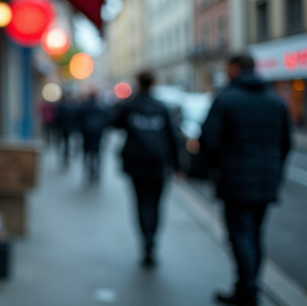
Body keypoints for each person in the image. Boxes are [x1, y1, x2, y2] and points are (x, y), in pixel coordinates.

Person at [200, 55, 291, 306]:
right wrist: (274, 169)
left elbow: (209, 139)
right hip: (266, 179)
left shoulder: (226, 99)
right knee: (255, 234)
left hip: (235, 179)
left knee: (239, 234)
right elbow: (285, 142)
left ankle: (247, 290)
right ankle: (248, 285)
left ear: (234, 69)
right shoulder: (276, 100)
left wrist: (215, 167)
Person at [113, 71, 180, 267]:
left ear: (138, 83)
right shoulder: (161, 108)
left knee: (141, 203)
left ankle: (145, 243)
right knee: (157, 205)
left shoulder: (130, 106)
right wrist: (177, 165)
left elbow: (115, 124)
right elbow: (172, 137)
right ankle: (152, 242)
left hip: (136, 163)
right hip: (158, 164)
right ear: (154, 83)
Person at [77, 92, 109, 185]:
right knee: (97, 155)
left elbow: (78, 119)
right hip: (97, 135)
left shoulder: (84, 108)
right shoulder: (101, 108)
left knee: (86, 154)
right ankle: (97, 174)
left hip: (86, 134)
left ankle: (86, 173)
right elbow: (107, 120)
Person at [56, 96, 76, 168]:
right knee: (67, 143)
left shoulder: (59, 108)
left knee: (61, 143)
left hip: (61, 128)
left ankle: (63, 157)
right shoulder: (70, 108)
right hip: (68, 128)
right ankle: (66, 156)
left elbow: (56, 119)